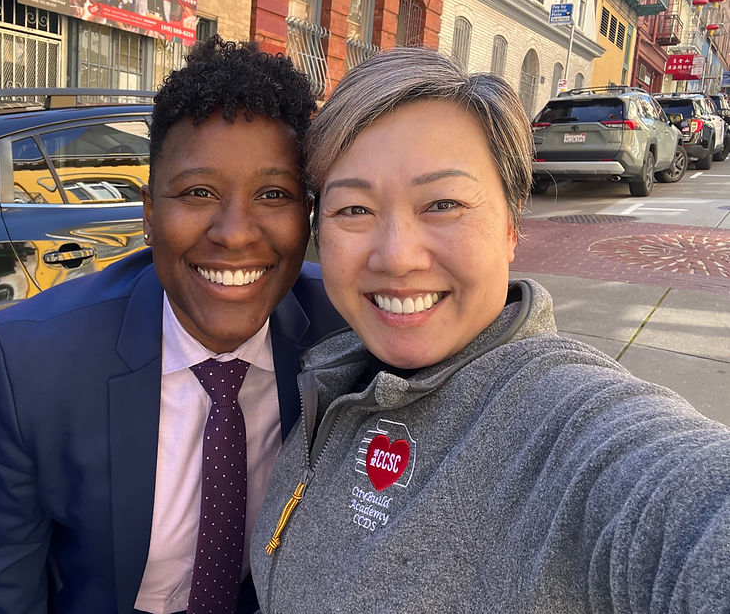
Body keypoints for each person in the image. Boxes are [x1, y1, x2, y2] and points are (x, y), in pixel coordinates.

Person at [250, 47, 730, 612]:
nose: (398, 256)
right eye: (354, 210)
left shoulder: (570, 426)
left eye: (443, 203)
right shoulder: (334, 371)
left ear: (512, 223)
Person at [0, 36, 346, 614]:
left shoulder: (343, 333)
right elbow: (3, 580)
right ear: (147, 213)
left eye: (273, 194)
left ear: (306, 216)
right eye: (197, 192)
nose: (235, 233)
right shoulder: (37, 361)